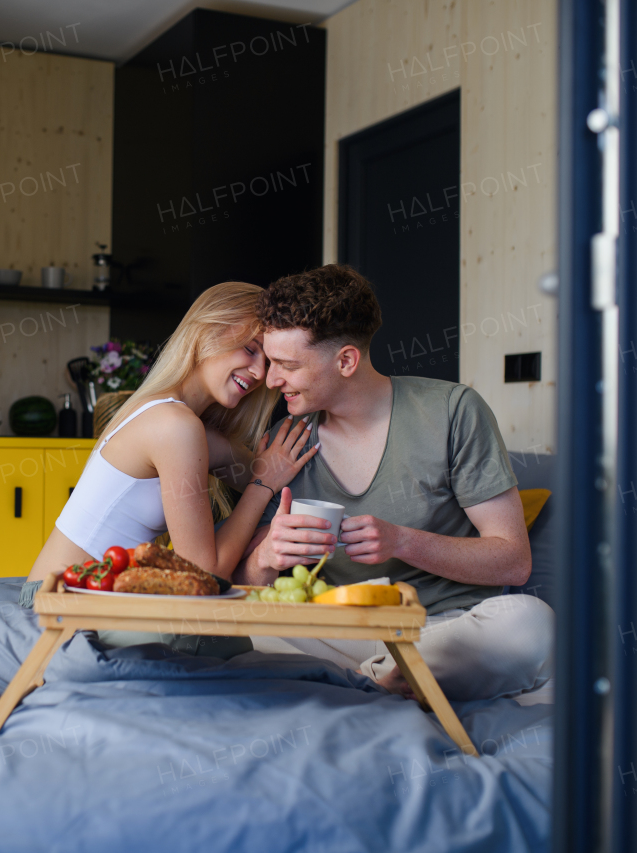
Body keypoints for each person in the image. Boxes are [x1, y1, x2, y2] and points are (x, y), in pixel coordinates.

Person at [233, 264, 554, 702]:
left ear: (346, 360)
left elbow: (512, 561)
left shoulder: (452, 412)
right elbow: (246, 580)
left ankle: (364, 685)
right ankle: (390, 682)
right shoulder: (284, 442)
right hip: (333, 631)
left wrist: (403, 542)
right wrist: (267, 558)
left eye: (287, 365)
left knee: (530, 623)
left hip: (440, 630)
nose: (270, 380)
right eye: (270, 363)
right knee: (232, 625)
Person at [24, 282, 319, 610]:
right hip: (60, 604)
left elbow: (264, 476)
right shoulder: (175, 425)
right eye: (251, 349)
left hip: (76, 595)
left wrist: (270, 474)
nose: (259, 372)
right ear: (207, 331)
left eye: (268, 360)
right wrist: (262, 483)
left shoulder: (177, 417)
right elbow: (207, 572)